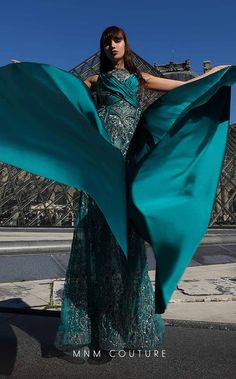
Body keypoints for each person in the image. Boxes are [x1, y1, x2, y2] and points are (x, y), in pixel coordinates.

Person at [7, 25, 235, 357]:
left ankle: (123, 322)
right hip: (102, 159)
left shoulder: (140, 77)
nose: (112, 45)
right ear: (102, 48)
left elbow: (183, 87)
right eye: (107, 42)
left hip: (129, 157)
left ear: (126, 43)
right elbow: (61, 91)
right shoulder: (94, 82)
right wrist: (26, 74)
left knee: (126, 239)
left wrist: (215, 74)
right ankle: (98, 323)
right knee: (99, 236)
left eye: (117, 39)